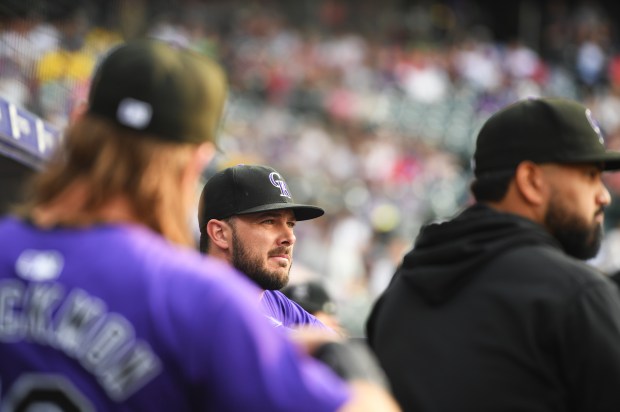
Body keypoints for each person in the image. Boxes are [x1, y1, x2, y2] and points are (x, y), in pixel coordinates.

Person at [0, 39, 400, 411]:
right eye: (269, 220)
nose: (287, 236)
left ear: (79, 120)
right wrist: (352, 368)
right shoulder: (195, 299)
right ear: (196, 160)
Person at [366, 96, 620, 412]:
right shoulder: (577, 295)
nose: (604, 196)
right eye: (590, 176)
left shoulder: (400, 288)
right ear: (531, 181)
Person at [198, 164, 332, 330]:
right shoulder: (197, 300)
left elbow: (334, 345)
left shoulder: (274, 302)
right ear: (220, 233)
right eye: (269, 221)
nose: (290, 238)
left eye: (290, 224)